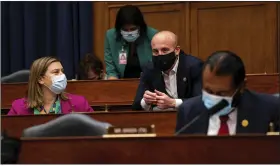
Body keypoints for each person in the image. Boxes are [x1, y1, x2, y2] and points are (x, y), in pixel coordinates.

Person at [175, 51, 279, 135]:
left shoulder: (270, 109)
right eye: (208, 91)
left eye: (222, 93)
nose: (214, 98)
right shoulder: (189, 111)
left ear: (241, 87)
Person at [132, 31, 204, 111]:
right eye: (155, 51)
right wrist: (146, 101)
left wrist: (173, 103)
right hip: (161, 119)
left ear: (177, 50)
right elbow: (136, 105)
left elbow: (200, 101)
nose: (160, 54)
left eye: (165, 50)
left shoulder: (194, 66)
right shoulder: (150, 69)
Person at [8, 57, 94, 115]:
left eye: (62, 71)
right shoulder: (18, 107)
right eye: (56, 72)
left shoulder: (79, 103)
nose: (62, 75)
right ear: (40, 79)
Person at [104, 5, 158, 79]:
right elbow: (111, 68)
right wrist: (113, 82)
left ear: (140, 26)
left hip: (148, 81)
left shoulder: (153, 35)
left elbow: (157, 66)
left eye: (133, 29)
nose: (129, 32)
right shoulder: (111, 36)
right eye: (125, 29)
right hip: (121, 81)